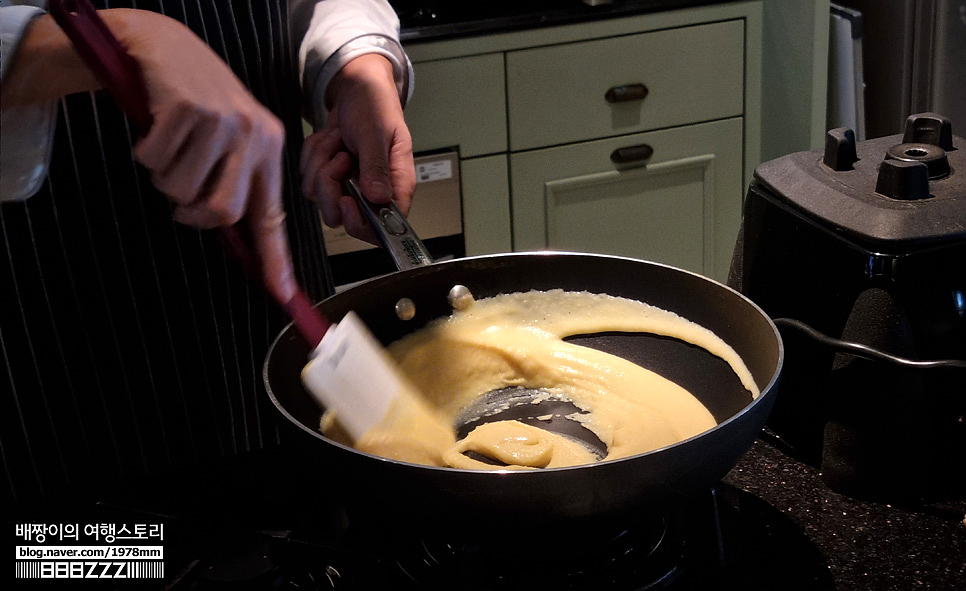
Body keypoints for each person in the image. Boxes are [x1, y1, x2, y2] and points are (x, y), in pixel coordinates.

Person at [0, 0, 416, 505]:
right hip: (55, 296)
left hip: (266, 254)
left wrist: (356, 66)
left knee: (296, 512)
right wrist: (92, 43)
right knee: (96, 554)